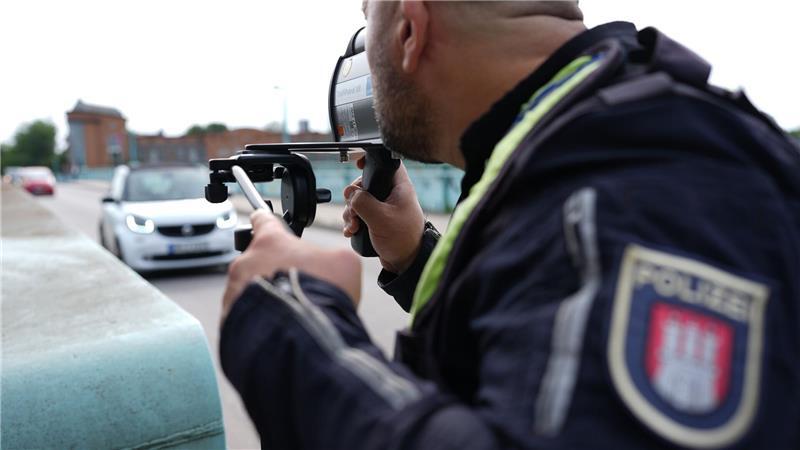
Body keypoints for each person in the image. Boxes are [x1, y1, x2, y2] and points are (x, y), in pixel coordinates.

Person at [219, 1, 800, 449]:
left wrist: (297, 327)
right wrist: (418, 261)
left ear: (409, 32)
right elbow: (542, 349)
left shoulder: (639, 181)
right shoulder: (600, 144)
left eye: (366, 27)